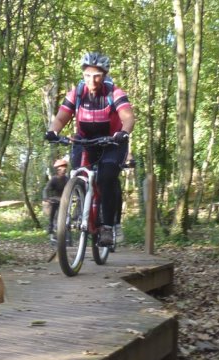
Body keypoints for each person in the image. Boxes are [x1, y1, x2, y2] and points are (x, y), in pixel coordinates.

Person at [45, 52, 135, 246]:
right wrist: (53, 131)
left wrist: (124, 132)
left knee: (106, 177)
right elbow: (61, 118)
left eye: (96, 75)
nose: (91, 80)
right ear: (83, 74)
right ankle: (80, 206)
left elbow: (128, 117)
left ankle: (108, 226)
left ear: (104, 75)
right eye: (87, 75)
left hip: (112, 141)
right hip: (85, 140)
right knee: (78, 173)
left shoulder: (114, 92)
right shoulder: (77, 93)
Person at [43, 158, 69, 240]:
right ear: (57, 170)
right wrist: (46, 198)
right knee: (52, 215)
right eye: (60, 169)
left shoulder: (67, 179)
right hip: (54, 200)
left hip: (64, 200)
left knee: (66, 216)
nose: (63, 171)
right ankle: (51, 228)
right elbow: (46, 189)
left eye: (64, 170)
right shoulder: (54, 179)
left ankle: (66, 234)